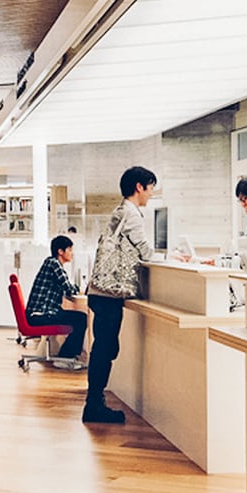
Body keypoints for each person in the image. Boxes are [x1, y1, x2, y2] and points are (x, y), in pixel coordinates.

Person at [83, 166, 157, 425]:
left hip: (100, 291)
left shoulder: (120, 212)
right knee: (105, 349)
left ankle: (95, 402)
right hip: (109, 293)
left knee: (104, 347)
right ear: (139, 186)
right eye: (150, 188)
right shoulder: (131, 214)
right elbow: (145, 251)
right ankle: (93, 406)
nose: (151, 194)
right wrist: (171, 258)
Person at [26, 235, 88, 370]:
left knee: (79, 318)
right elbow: (68, 287)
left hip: (41, 313)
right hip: (41, 315)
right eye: (70, 250)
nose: (72, 253)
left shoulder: (50, 263)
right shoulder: (54, 263)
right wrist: (79, 289)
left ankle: (67, 356)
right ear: (60, 251)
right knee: (81, 319)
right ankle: (65, 358)